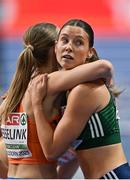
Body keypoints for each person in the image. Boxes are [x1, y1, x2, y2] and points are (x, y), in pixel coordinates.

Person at [0, 22, 113, 179]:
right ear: (54, 49)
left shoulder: (14, 93)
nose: (67, 47)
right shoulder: (48, 82)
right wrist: (107, 81)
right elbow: (104, 67)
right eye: (63, 40)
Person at [29, 19, 130, 179]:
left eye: (78, 43)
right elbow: (76, 153)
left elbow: (52, 151)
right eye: (64, 40)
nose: (69, 47)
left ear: (90, 52)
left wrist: (36, 105)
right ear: (56, 46)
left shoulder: (84, 91)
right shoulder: (72, 89)